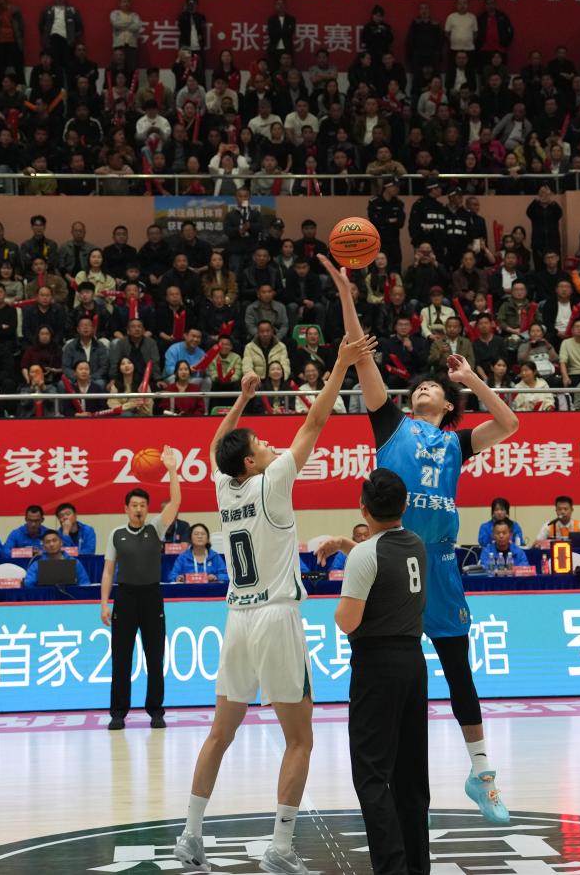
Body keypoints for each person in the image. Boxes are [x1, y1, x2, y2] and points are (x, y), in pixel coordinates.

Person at [320, 252, 518, 823]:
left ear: (448, 405)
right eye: (421, 385)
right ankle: (386, 772)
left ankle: (482, 775)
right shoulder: (391, 425)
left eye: (434, 385)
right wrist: (348, 297)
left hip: (441, 564)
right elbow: (361, 358)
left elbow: (510, 424)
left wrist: (471, 379)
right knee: (391, 669)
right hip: (393, 557)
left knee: (459, 672)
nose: (425, 387)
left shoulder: (457, 443)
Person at [174, 334, 374, 874]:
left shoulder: (225, 489)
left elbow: (216, 445)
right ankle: (281, 848)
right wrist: (340, 365)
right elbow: (316, 421)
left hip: (237, 618)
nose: (269, 445)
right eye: (260, 443)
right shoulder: (272, 481)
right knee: (300, 739)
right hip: (277, 616)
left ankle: (190, 835)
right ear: (250, 461)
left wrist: (241, 400)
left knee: (219, 734)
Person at [328, 470, 430, 875]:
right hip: (413, 663)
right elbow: (383, 559)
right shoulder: (416, 544)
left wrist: (349, 556)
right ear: (404, 505)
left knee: (371, 775)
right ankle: (416, 866)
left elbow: (348, 621)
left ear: (363, 509)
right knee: (411, 775)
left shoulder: (364, 556)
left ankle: (391, 868)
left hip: (376, 665)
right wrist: (348, 545)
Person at [100, 446, 181, 730]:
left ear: (148, 509)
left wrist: (172, 470)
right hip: (125, 597)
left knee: (154, 657)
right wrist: (104, 603)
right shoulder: (116, 534)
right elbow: (108, 571)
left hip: (151, 596)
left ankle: (156, 711)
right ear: (126, 509)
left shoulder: (156, 528)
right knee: (121, 659)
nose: (138, 509)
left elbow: (175, 502)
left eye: (143, 505)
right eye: (134, 505)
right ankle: (118, 713)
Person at [23, 530, 90, 588]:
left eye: (54, 540)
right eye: (47, 542)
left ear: (61, 543)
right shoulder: (36, 565)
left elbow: (85, 584)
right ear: (43, 546)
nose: (51, 544)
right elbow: (28, 584)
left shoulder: (75, 562)